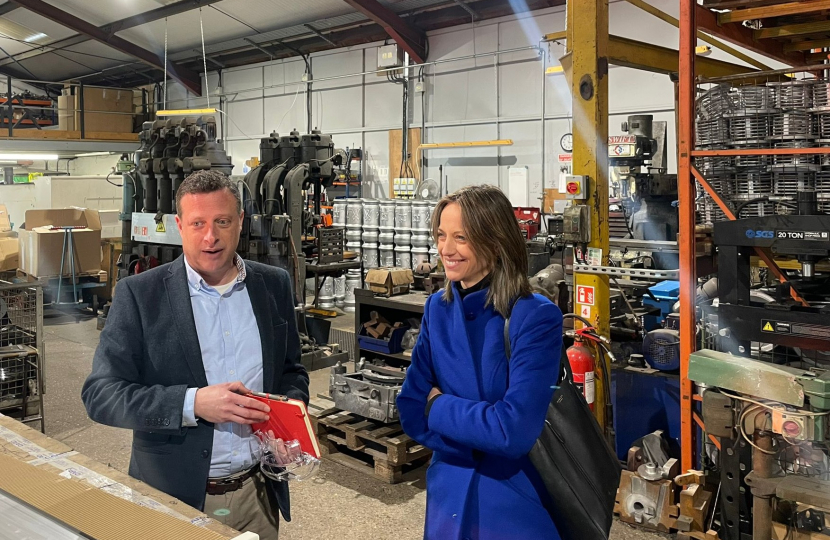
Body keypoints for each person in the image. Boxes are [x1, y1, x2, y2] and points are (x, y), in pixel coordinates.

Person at [82, 170, 308, 540]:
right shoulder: (141, 296)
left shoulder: (273, 285)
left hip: (258, 496)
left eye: (222, 221)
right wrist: (192, 403)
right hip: (173, 498)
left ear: (240, 222)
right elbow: (101, 395)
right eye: (198, 223)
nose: (210, 237)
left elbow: (291, 372)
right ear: (178, 225)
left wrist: (289, 420)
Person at [397, 185, 564, 540]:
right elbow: (410, 408)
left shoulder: (534, 316)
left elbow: (512, 432)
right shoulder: (436, 311)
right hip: (447, 499)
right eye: (441, 235)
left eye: (462, 237)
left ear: (496, 240)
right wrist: (482, 433)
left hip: (510, 503)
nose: (446, 249)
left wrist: (438, 406)